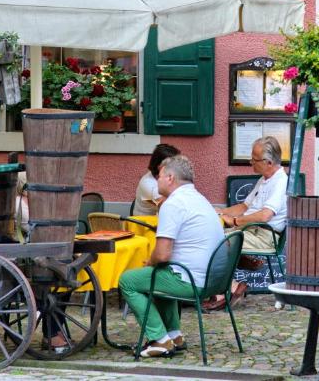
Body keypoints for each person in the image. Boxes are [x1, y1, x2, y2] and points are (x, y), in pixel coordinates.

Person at [119, 154, 224, 358]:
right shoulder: (200, 199)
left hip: (191, 280)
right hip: (212, 280)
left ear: (170, 178)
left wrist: (150, 262)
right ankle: (175, 335)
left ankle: (159, 339)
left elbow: (163, 254)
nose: (156, 180)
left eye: (158, 175)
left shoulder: (173, 204)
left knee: (128, 281)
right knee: (159, 273)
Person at [206, 136, 288, 310]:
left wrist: (235, 221)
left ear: (268, 162)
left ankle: (231, 287)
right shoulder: (264, 179)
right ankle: (242, 263)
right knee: (210, 236)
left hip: (264, 235)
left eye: (255, 159)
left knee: (214, 242)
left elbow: (265, 215)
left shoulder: (280, 182)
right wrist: (219, 212)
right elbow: (244, 206)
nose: (251, 162)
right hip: (252, 231)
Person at [134, 143, 180, 215]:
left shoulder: (164, 176)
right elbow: (171, 208)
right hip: (145, 223)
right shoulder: (149, 185)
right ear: (160, 166)